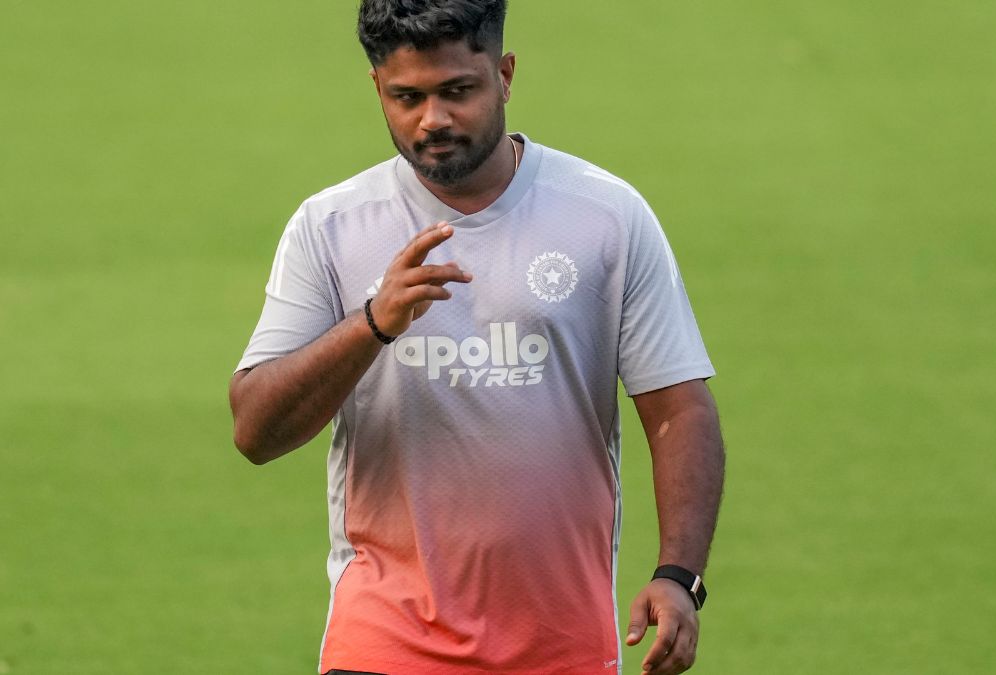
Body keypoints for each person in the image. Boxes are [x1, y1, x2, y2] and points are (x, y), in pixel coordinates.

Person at [228, 1, 724, 673]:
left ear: (505, 75)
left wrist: (679, 575)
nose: (432, 118)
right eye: (407, 97)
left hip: (563, 645)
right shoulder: (332, 227)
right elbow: (255, 430)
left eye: (457, 90)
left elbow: (678, 410)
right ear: (377, 88)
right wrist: (372, 324)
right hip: (383, 641)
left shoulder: (605, 216)